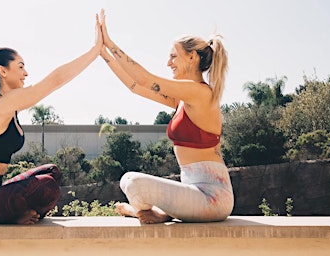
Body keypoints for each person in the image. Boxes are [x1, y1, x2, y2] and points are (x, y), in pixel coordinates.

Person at [0, 14, 103, 224]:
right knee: (46, 186)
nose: (26, 73)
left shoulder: (9, 103)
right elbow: (54, 81)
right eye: (20, 66)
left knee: (52, 172)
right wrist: (94, 51)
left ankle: (17, 215)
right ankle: (15, 217)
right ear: (2, 71)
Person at [98, 10, 233, 224]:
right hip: (192, 191)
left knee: (133, 182)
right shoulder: (183, 100)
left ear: (192, 57)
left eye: (173, 56)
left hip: (212, 197)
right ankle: (159, 212)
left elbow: (144, 79)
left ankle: (147, 212)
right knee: (127, 180)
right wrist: (103, 53)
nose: (168, 63)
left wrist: (110, 43)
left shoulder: (200, 93)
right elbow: (135, 86)